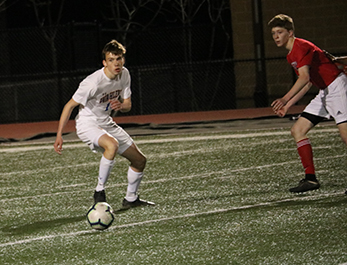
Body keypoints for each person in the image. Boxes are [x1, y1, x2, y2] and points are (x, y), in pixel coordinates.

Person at [53, 40, 155, 208]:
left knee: (139, 160)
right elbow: (69, 106)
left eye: (119, 58)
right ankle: (99, 191)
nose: (116, 63)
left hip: (106, 123)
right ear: (104, 62)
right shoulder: (92, 83)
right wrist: (59, 135)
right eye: (111, 59)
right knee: (112, 145)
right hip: (87, 124)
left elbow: (128, 105)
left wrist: (121, 106)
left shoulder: (125, 74)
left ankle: (131, 199)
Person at [268, 14, 347, 193]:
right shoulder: (291, 55)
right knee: (298, 130)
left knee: (346, 137)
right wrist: (287, 106)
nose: (276, 37)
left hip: (337, 87)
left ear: (290, 32)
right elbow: (308, 82)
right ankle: (310, 179)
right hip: (325, 92)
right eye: (273, 33)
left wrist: (284, 99)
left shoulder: (301, 46)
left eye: (280, 32)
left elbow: (304, 78)